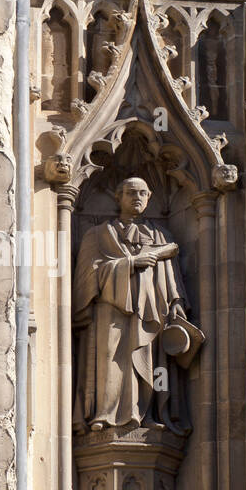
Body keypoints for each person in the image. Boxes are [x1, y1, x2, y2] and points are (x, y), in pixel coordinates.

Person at [72, 176, 203, 434]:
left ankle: (151, 413)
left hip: (152, 311)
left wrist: (177, 304)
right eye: (131, 192)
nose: (137, 198)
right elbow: (87, 277)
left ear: (150, 197)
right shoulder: (98, 234)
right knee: (111, 359)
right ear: (118, 197)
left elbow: (171, 278)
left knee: (153, 363)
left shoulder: (160, 235)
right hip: (110, 311)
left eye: (143, 193)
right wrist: (131, 264)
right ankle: (105, 413)